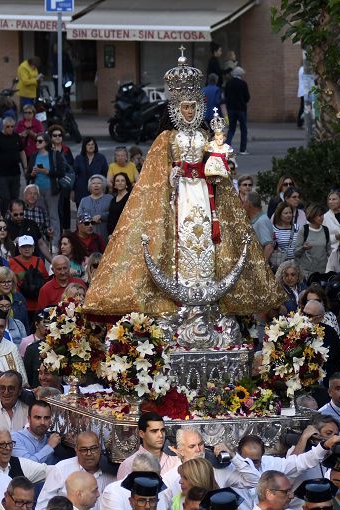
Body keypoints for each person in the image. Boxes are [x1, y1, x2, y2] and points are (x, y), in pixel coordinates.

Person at [84, 53, 282, 318]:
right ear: (176, 109)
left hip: (204, 192)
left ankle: (207, 289)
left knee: (212, 240)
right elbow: (153, 177)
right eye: (184, 107)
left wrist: (219, 161)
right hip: (178, 194)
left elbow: (215, 164)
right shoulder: (166, 139)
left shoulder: (205, 135)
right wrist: (172, 174)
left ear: (198, 107)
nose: (188, 111)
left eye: (192, 106)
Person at [224, 67, 250, 154]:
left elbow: (226, 95)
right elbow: (247, 97)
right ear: (241, 74)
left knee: (231, 129)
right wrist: (243, 102)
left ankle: (227, 147)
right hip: (241, 109)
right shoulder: (243, 83)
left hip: (231, 108)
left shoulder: (228, 83)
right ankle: (243, 149)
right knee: (243, 129)